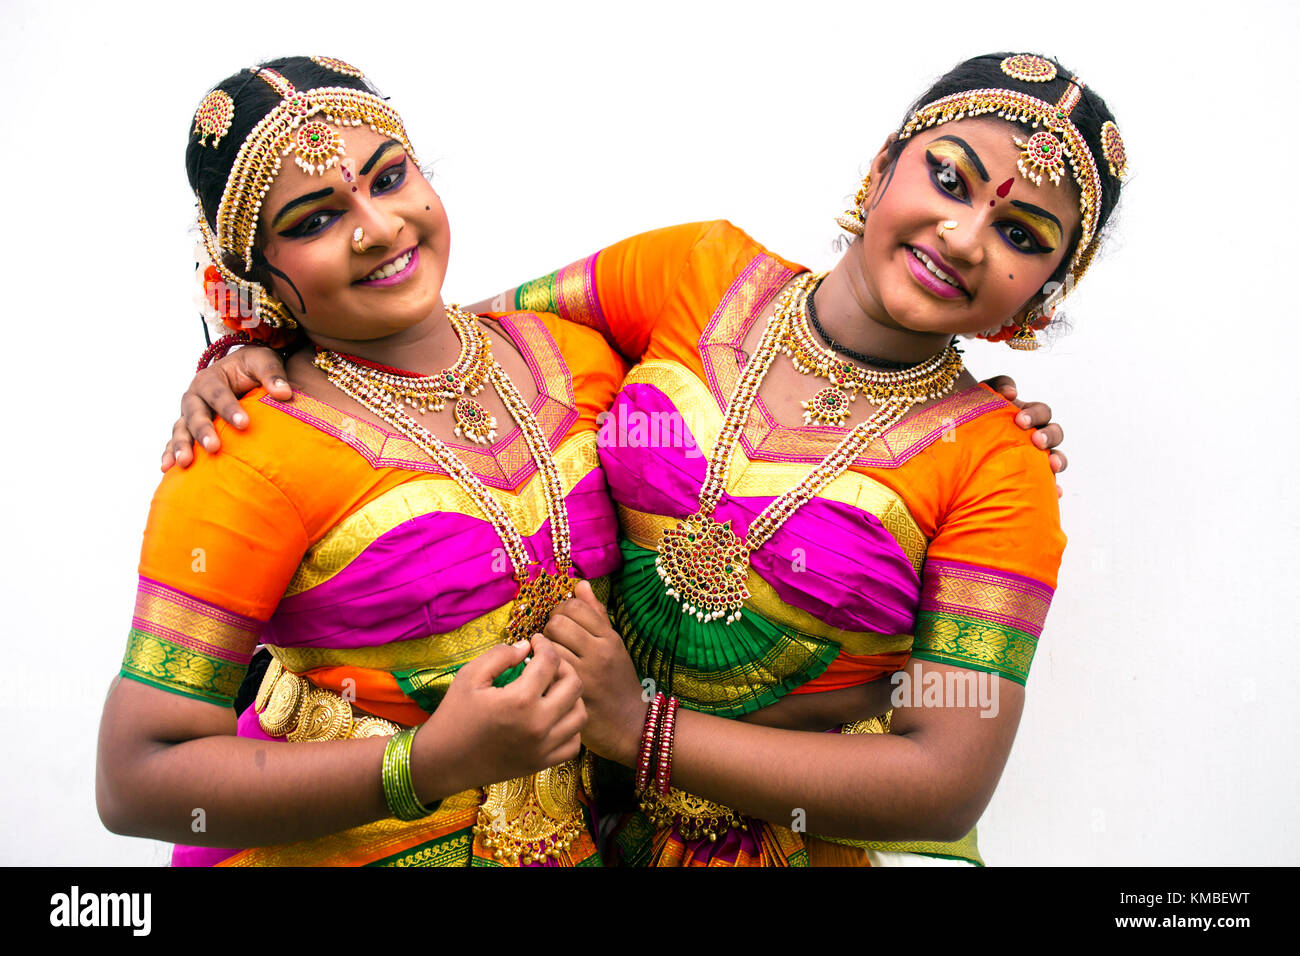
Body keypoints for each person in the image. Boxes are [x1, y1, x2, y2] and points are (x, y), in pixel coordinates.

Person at [156, 52, 1113, 866]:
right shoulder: (697, 271)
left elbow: (943, 782)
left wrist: (641, 732)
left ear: (1041, 299)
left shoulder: (1002, 464)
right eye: (949, 180)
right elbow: (452, 337)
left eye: (1023, 237)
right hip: (550, 815)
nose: (964, 235)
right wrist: (256, 350)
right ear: (882, 166)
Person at [96, 55, 627, 866]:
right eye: (311, 221)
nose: (377, 228)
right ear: (246, 275)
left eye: (388, 177)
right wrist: (427, 765)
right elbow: (137, 776)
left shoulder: (578, 357)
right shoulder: (244, 446)